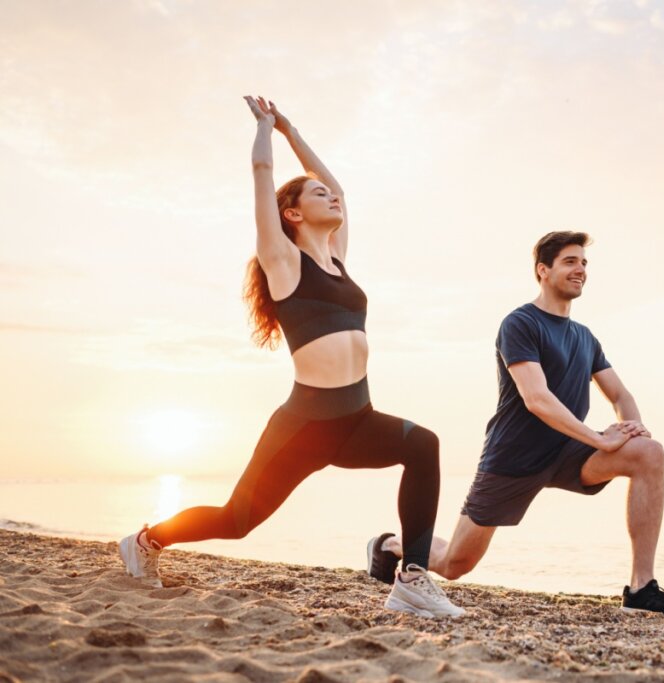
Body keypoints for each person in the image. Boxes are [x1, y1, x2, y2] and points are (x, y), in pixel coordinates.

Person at [118, 96, 463, 618]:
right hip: (303, 425)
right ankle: (146, 540)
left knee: (423, 446)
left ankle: (412, 577)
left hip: (356, 418)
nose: (333, 196)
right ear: (292, 214)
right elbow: (261, 171)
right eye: (316, 193)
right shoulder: (282, 261)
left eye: (331, 193)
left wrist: (295, 130)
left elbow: (340, 187)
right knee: (237, 519)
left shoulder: (338, 259)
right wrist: (266, 129)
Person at [367, 231, 664, 619]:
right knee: (456, 564)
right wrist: (600, 439)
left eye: (585, 263)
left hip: (569, 452)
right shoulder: (520, 323)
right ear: (543, 270)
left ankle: (641, 588)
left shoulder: (586, 338)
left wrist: (631, 429)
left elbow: (620, 396)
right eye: (571, 261)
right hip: (513, 457)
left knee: (649, 453)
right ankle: (389, 546)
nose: (581, 270)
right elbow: (536, 399)